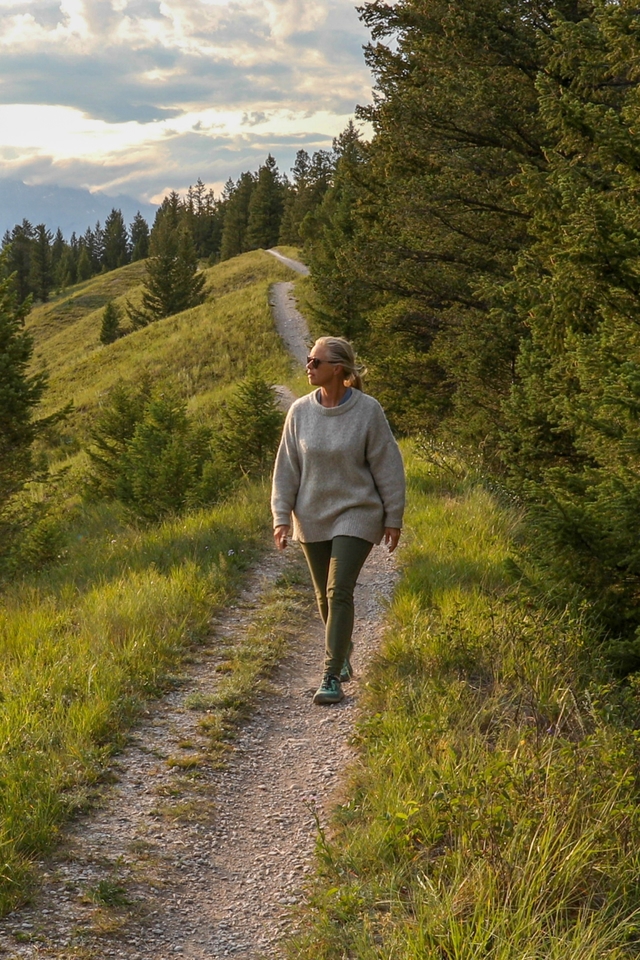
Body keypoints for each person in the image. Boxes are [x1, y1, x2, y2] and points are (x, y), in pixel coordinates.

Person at [271, 336, 405, 705]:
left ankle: (331, 676)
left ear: (338, 369)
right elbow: (286, 470)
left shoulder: (367, 411)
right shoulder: (299, 411)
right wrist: (281, 517)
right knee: (322, 596)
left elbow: (388, 466)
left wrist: (393, 517)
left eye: (315, 361)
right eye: (308, 360)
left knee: (338, 590)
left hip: (358, 512)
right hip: (311, 515)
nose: (308, 367)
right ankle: (342, 651)